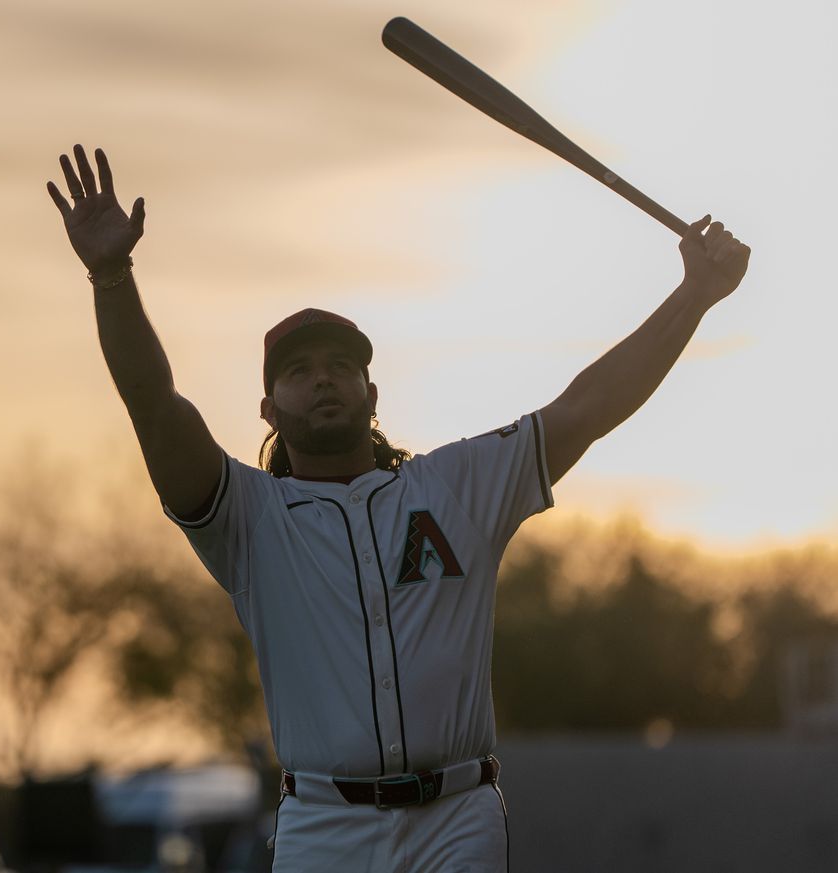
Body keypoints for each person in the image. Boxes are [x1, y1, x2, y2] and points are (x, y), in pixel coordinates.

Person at [46, 143, 749, 872]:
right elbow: (154, 405)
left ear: (371, 395)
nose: (324, 380)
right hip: (323, 824)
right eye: (298, 370)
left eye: (342, 366)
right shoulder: (247, 517)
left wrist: (694, 293)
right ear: (267, 408)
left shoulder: (458, 483)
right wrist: (111, 275)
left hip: (458, 814)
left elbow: (588, 406)